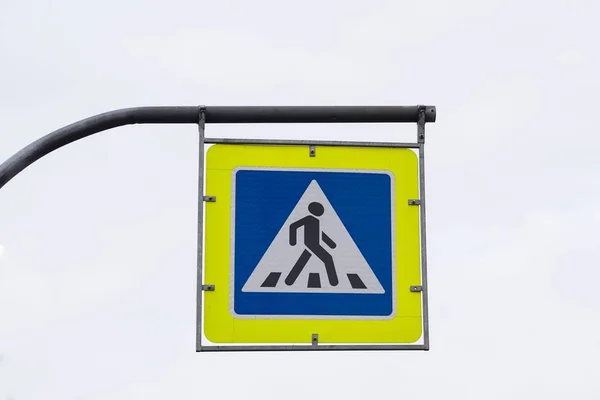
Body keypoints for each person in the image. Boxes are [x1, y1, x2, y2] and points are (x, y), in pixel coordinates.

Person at [286, 201, 338, 286]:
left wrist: (331, 244)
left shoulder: (316, 220)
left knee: (302, 260)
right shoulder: (308, 218)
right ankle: (334, 282)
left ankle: (289, 281)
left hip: (313, 244)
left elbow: (319, 234)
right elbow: (293, 226)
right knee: (328, 258)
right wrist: (293, 241)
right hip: (311, 244)